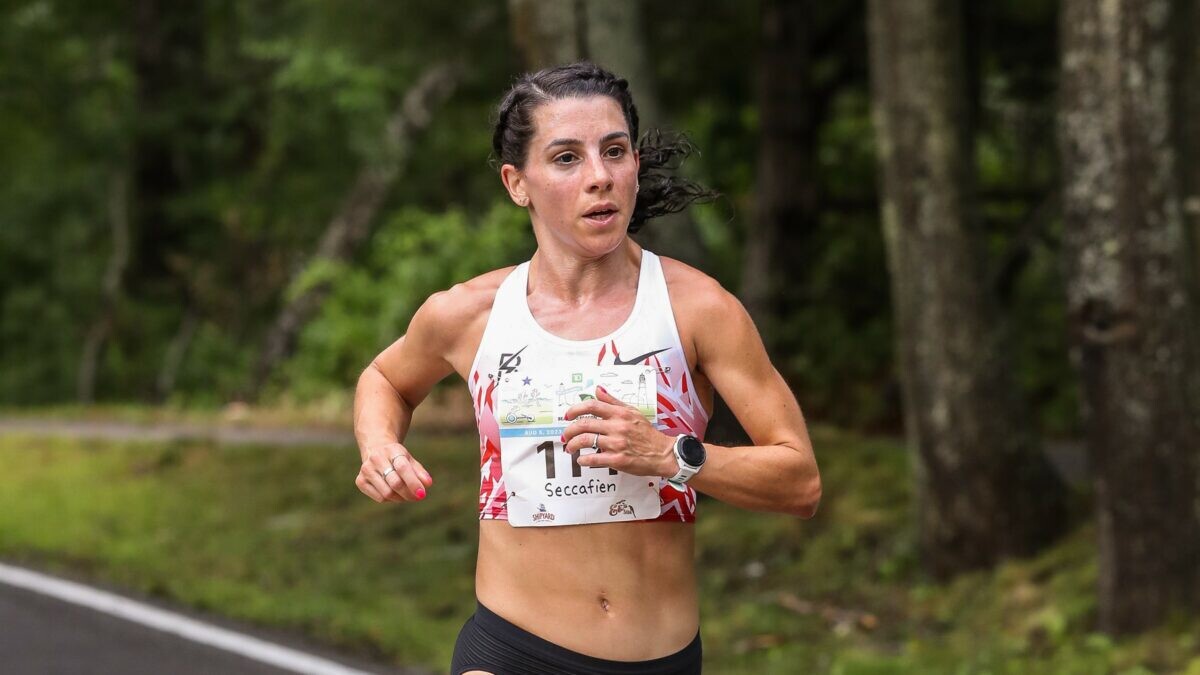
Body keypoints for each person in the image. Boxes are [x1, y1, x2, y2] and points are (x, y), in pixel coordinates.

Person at [353, 62, 821, 675]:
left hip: (657, 657)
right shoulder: (469, 315)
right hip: (511, 649)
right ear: (517, 183)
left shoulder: (698, 309)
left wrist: (671, 456)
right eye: (567, 158)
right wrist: (379, 444)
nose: (599, 176)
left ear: (635, 166)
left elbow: (799, 482)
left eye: (614, 151)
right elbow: (385, 379)